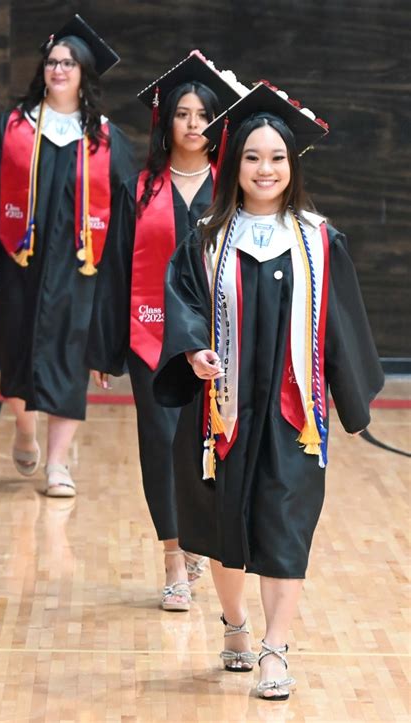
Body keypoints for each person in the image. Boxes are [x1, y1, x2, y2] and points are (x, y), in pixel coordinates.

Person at [153, 81, 384, 697]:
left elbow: (340, 324)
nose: (265, 168)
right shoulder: (205, 239)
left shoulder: (317, 240)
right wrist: (193, 350)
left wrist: (353, 401)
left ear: (292, 165)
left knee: (283, 524)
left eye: (277, 157)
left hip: (292, 417)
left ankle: (275, 650)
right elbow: (182, 308)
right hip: (221, 415)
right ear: (234, 164)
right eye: (252, 157)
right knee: (228, 528)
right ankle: (235, 625)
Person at [86, 51, 247, 611]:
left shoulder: (235, 190)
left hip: (221, 344)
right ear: (166, 122)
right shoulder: (140, 189)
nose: (194, 123)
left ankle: (203, 539)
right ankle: (174, 560)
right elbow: (114, 273)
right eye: (183, 113)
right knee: (159, 445)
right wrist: (105, 349)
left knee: (213, 445)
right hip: (150, 340)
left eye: (204, 114)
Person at [0, 15, 136, 497]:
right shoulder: (15, 127)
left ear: (83, 73)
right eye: (53, 61)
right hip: (20, 266)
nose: (59, 69)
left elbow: (126, 210)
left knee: (68, 360)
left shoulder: (104, 138)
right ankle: (23, 426)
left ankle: (57, 465)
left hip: (80, 272)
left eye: (69, 63)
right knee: (16, 355)